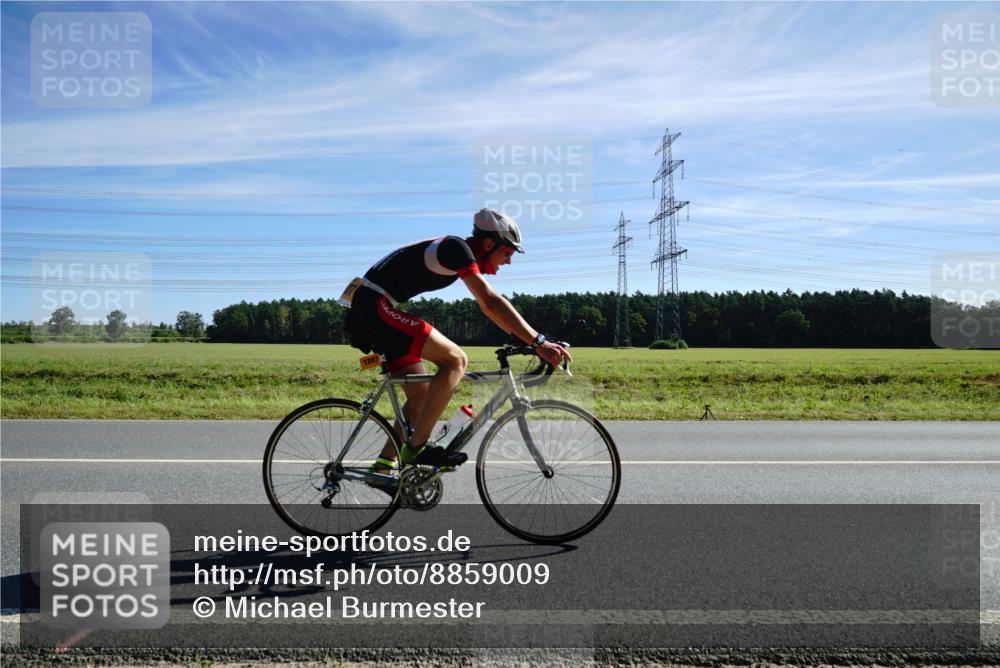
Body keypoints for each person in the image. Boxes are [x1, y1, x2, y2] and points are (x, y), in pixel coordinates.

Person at [340, 208, 572, 469]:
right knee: (456, 361)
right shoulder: (456, 248)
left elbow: (488, 307)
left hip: (373, 306)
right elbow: (490, 302)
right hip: (374, 307)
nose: (508, 261)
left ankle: (383, 466)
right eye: (507, 253)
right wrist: (538, 342)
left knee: (422, 398)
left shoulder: (458, 250)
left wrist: (527, 339)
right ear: (488, 244)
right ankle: (416, 449)